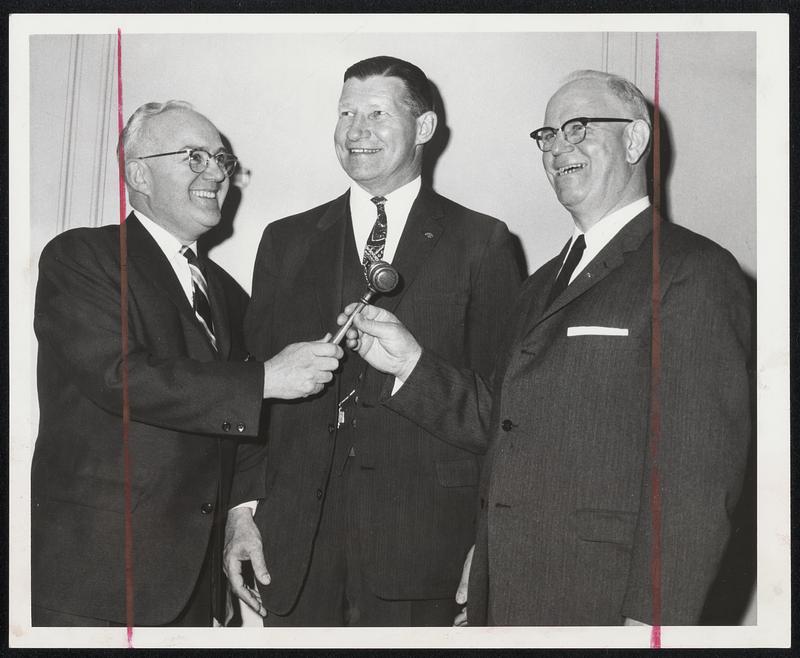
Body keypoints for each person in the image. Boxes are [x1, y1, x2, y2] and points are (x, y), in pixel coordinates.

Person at [341, 70, 752, 626]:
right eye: (549, 135)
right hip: (513, 591)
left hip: (605, 603)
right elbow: (503, 424)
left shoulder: (692, 271)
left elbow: (696, 481)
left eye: (579, 128)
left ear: (634, 140)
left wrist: (653, 622)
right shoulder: (542, 282)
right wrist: (409, 363)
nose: (559, 147)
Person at [223, 56, 522, 626]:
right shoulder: (284, 241)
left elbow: (502, 414)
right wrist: (242, 512)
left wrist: (488, 546)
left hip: (426, 553)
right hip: (293, 555)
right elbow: (252, 392)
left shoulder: (483, 242)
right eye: (345, 114)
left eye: (377, 114)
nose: (356, 131)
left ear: (425, 128)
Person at [31, 100, 343, 627]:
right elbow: (119, 377)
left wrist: (240, 515)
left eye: (221, 159)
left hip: (194, 587)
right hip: (96, 580)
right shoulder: (82, 257)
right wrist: (266, 377)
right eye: (195, 157)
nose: (217, 173)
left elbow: (240, 424)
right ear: (138, 174)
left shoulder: (226, 292)